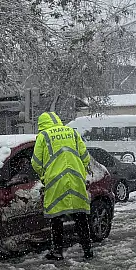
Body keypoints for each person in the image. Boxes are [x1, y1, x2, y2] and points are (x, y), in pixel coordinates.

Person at [32, 111, 92, 261]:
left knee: (56, 217)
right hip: (75, 179)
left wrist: (44, 176)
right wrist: (81, 170)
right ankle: (88, 250)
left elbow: (36, 163)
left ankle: (58, 251)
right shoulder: (71, 132)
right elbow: (85, 156)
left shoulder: (43, 136)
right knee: (80, 216)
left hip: (55, 181)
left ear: (42, 125)